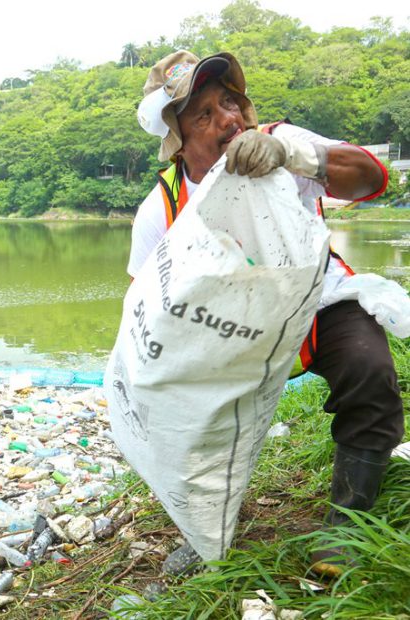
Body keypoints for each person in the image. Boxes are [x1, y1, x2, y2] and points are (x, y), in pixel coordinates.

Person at [131, 50, 404, 578]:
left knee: (369, 371)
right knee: (188, 428)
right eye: (204, 115)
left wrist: (294, 157)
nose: (227, 120)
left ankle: (347, 526)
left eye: (229, 103)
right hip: (226, 337)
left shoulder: (283, 142)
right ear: (179, 140)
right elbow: (146, 312)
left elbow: (372, 179)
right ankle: (205, 532)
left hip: (316, 303)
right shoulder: (160, 208)